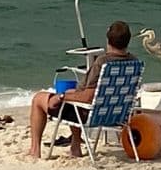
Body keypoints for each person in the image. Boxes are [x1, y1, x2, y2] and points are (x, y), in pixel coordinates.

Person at [27, 20, 137, 158]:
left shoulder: (102, 63)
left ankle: (34, 150)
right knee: (73, 94)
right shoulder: (134, 62)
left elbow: (88, 97)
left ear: (108, 39)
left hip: (91, 115)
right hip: (117, 114)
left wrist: (61, 97)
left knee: (39, 99)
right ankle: (75, 146)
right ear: (127, 41)